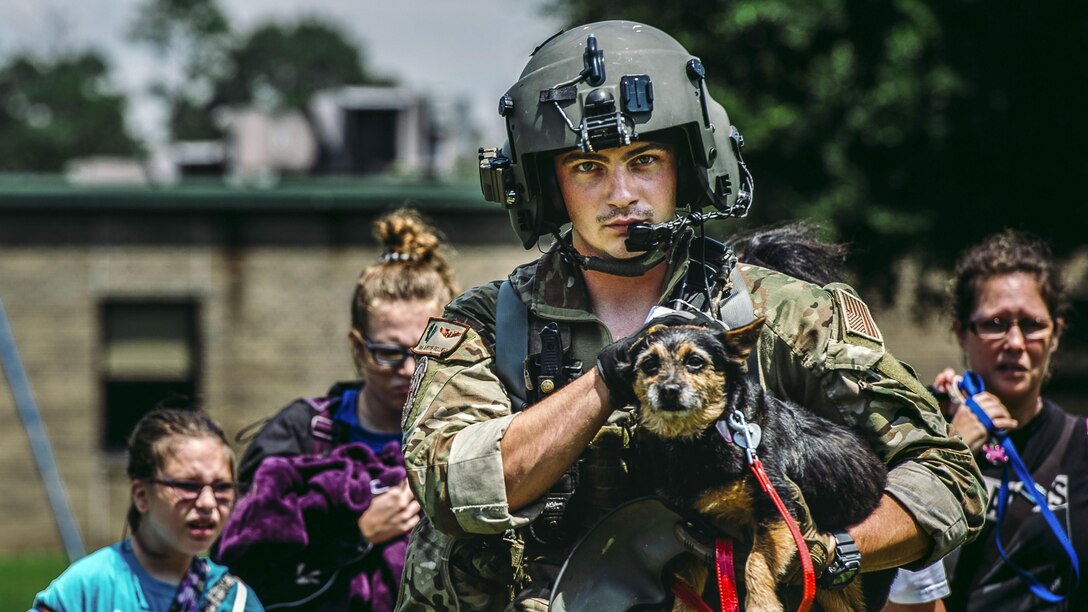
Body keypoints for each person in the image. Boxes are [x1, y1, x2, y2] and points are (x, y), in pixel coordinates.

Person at [397, 21, 985, 610]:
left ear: (690, 165)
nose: (621, 193)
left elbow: (945, 473)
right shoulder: (489, 323)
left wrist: (830, 555)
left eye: (644, 160)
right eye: (587, 167)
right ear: (548, 185)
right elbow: (452, 488)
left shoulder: (784, 314)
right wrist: (607, 378)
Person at [213, 208, 457, 610]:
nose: (410, 369)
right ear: (358, 348)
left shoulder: (473, 430)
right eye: (388, 353)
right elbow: (243, 567)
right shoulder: (302, 434)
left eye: (427, 350)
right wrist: (356, 537)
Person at [929, 230, 1085, 610]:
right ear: (961, 332)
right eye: (995, 323)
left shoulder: (1081, 446)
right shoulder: (919, 434)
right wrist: (950, 447)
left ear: (1056, 334)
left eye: (1032, 324)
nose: (1015, 342)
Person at [31, 407, 262, 611]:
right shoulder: (87, 589)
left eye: (222, 487)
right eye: (188, 486)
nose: (208, 503)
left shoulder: (235, 602)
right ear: (141, 496)